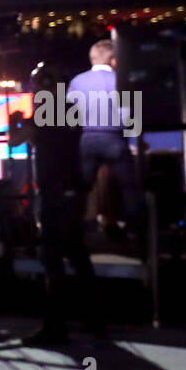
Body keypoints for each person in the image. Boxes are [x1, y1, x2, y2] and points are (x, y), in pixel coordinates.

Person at [12, 63, 105, 344]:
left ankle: (56, 325)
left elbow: (15, 139)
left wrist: (16, 120)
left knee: (52, 257)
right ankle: (93, 320)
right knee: (76, 253)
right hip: (73, 189)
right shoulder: (71, 110)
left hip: (55, 191)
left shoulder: (47, 111)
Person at [70, 38, 142, 238]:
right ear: (113, 59)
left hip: (86, 139)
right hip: (114, 138)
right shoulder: (121, 80)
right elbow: (128, 115)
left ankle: (80, 225)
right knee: (128, 186)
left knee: (83, 187)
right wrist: (137, 139)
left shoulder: (77, 81)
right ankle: (133, 228)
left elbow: (70, 115)